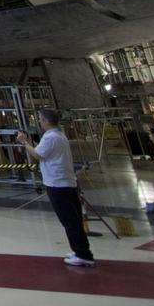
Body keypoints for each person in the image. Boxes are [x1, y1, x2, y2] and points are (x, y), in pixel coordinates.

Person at [16, 108, 94, 267]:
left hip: (58, 185)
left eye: (40, 119)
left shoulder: (51, 137)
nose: (38, 121)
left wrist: (24, 142)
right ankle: (80, 250)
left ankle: (83, 255)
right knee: (74, 220)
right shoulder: (58, 135)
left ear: (46, 121)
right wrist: (29, 143)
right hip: (67, 183)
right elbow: (40, 151)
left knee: (70, 222)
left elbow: (37, 155)